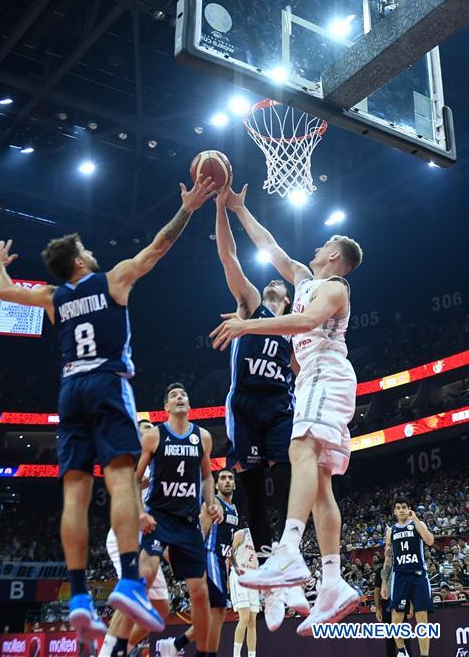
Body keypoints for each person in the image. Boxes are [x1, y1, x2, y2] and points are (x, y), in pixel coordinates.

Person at [0, 175, 217, 637]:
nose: (92, 251)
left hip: (69, 392)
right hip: (108, 384)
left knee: (75, 494)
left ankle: (76, 594)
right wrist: (189, 207)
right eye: (86, 249)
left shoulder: (54, 297)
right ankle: (130, 581)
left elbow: (3, 291)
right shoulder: (112, 281)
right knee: (121, 484)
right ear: (78, 260)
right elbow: (157, 247)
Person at [211, 185, 363, 634]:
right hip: (316, 378)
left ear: (335, 256)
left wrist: (246, 325)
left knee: (299, 451)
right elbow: (268, 245)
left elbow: (305, 322)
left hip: (325, 374)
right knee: (319, 486)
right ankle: (333, 581)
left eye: (324, 245)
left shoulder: (334, 287)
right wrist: (238, 209)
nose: (316, 247)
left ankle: (289, 551)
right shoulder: (303, 277)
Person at [211, 190, 307, 630]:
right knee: (250, 480)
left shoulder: (291, 326)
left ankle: (287, 551)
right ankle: (267, 559)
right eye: (273, 283)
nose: (275, 285)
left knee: (287, 467)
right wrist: (220, 208)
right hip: (246, 403)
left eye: (280, 287)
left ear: (287, 298)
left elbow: (304, 365)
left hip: (279, 405)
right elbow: (229, 256)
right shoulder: (250, 304)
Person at [138, 383, 223, 657]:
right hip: (159, 518)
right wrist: (141, 512)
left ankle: (200, 653)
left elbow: (208, 476)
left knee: (200, 593)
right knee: (146, 574)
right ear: (166, 408)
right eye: (174, 396)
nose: (180, 397)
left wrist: (210, 502)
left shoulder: (203, 437)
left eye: (184, 394)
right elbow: (133, 478)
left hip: (188, 523)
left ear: (189, 404)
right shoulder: (153, 436)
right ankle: (119, 641)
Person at [100, 419, 170, 657]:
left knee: (162, 607)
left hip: (149, 540)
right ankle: (107, 653)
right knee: (133, 592)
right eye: (142, 430)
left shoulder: (161, 461)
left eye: (150, 429)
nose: (147, 433)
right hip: (125, 535)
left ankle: (123, 649)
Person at [159, 468, 239, 657]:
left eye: (230, 478)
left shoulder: (233, 509)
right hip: (209, 558)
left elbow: (228, 540)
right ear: (217, 484)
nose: (227, 481)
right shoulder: (213, 505)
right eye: (222, 478)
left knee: (216, 613)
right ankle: (186, 647)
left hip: (221, 562)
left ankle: (176, 645)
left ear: (235, 484)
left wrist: (235, 565)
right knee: (217, 610)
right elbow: (200, 535)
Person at [381, 497, 434, 657]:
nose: (402, 509)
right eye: (398, 507)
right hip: (400, 576)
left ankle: (424, 655)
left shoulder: (417, 524)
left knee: (422, 618)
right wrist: (384, 582)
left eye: (404, 507)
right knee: (396, 617)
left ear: (409, 508)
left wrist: (416, 519)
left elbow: (430, 541)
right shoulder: (390, 531)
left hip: (418, 575)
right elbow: (388, 558)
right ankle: (402, 651)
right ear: (395, 511)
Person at [230, 527, 260, 657]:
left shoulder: (263, 540)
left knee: (252, 620)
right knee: (245, 616)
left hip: (253, 578)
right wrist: (227, 575)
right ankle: (236, 655)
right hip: (239, 575)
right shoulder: (242, 534)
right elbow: (228, 553)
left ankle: (252, 655)